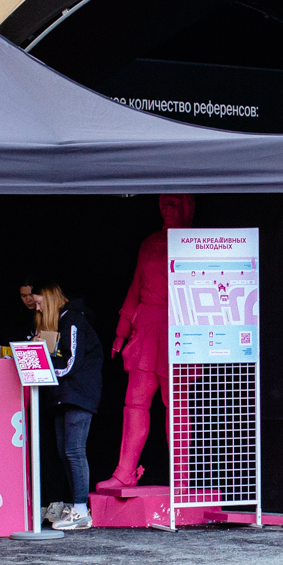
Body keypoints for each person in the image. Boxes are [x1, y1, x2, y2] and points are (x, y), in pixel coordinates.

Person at [102, 194, 192, 489]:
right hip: (146, 329)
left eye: (176, 201)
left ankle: (181, 478)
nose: (169, 207)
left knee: (177, 407)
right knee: (134, 403)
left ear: (188, 206)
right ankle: (124, 471)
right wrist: (121, 330)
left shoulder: (196, 243)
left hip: (180, 331)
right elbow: (136, 285)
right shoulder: (149, 243)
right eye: (165, 201)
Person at [24, 278, 102, 530]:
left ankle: (81, 511)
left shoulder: (73, 318)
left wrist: (43, 366)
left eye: (38, 303)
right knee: (64, 452)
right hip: (61, 395)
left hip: (78, 394)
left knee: (74, 451)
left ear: (49, 299)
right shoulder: (57, 322)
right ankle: (74, 505)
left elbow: (71, 362)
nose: (36, 308)